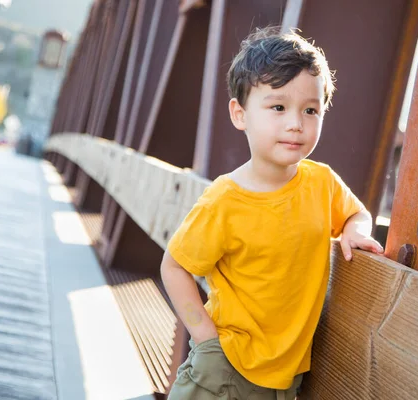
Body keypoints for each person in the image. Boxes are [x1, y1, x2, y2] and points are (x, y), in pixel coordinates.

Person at [160, 27, 384, 400]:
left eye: (310, 110)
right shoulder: (225, 201)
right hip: (224, 371)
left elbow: (357, 214)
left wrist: (354, 231)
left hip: (284, 382)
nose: (296, 123)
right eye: (278, 107)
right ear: (240, 113)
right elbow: (175, 266)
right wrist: (206, 341)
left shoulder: (321, 183)